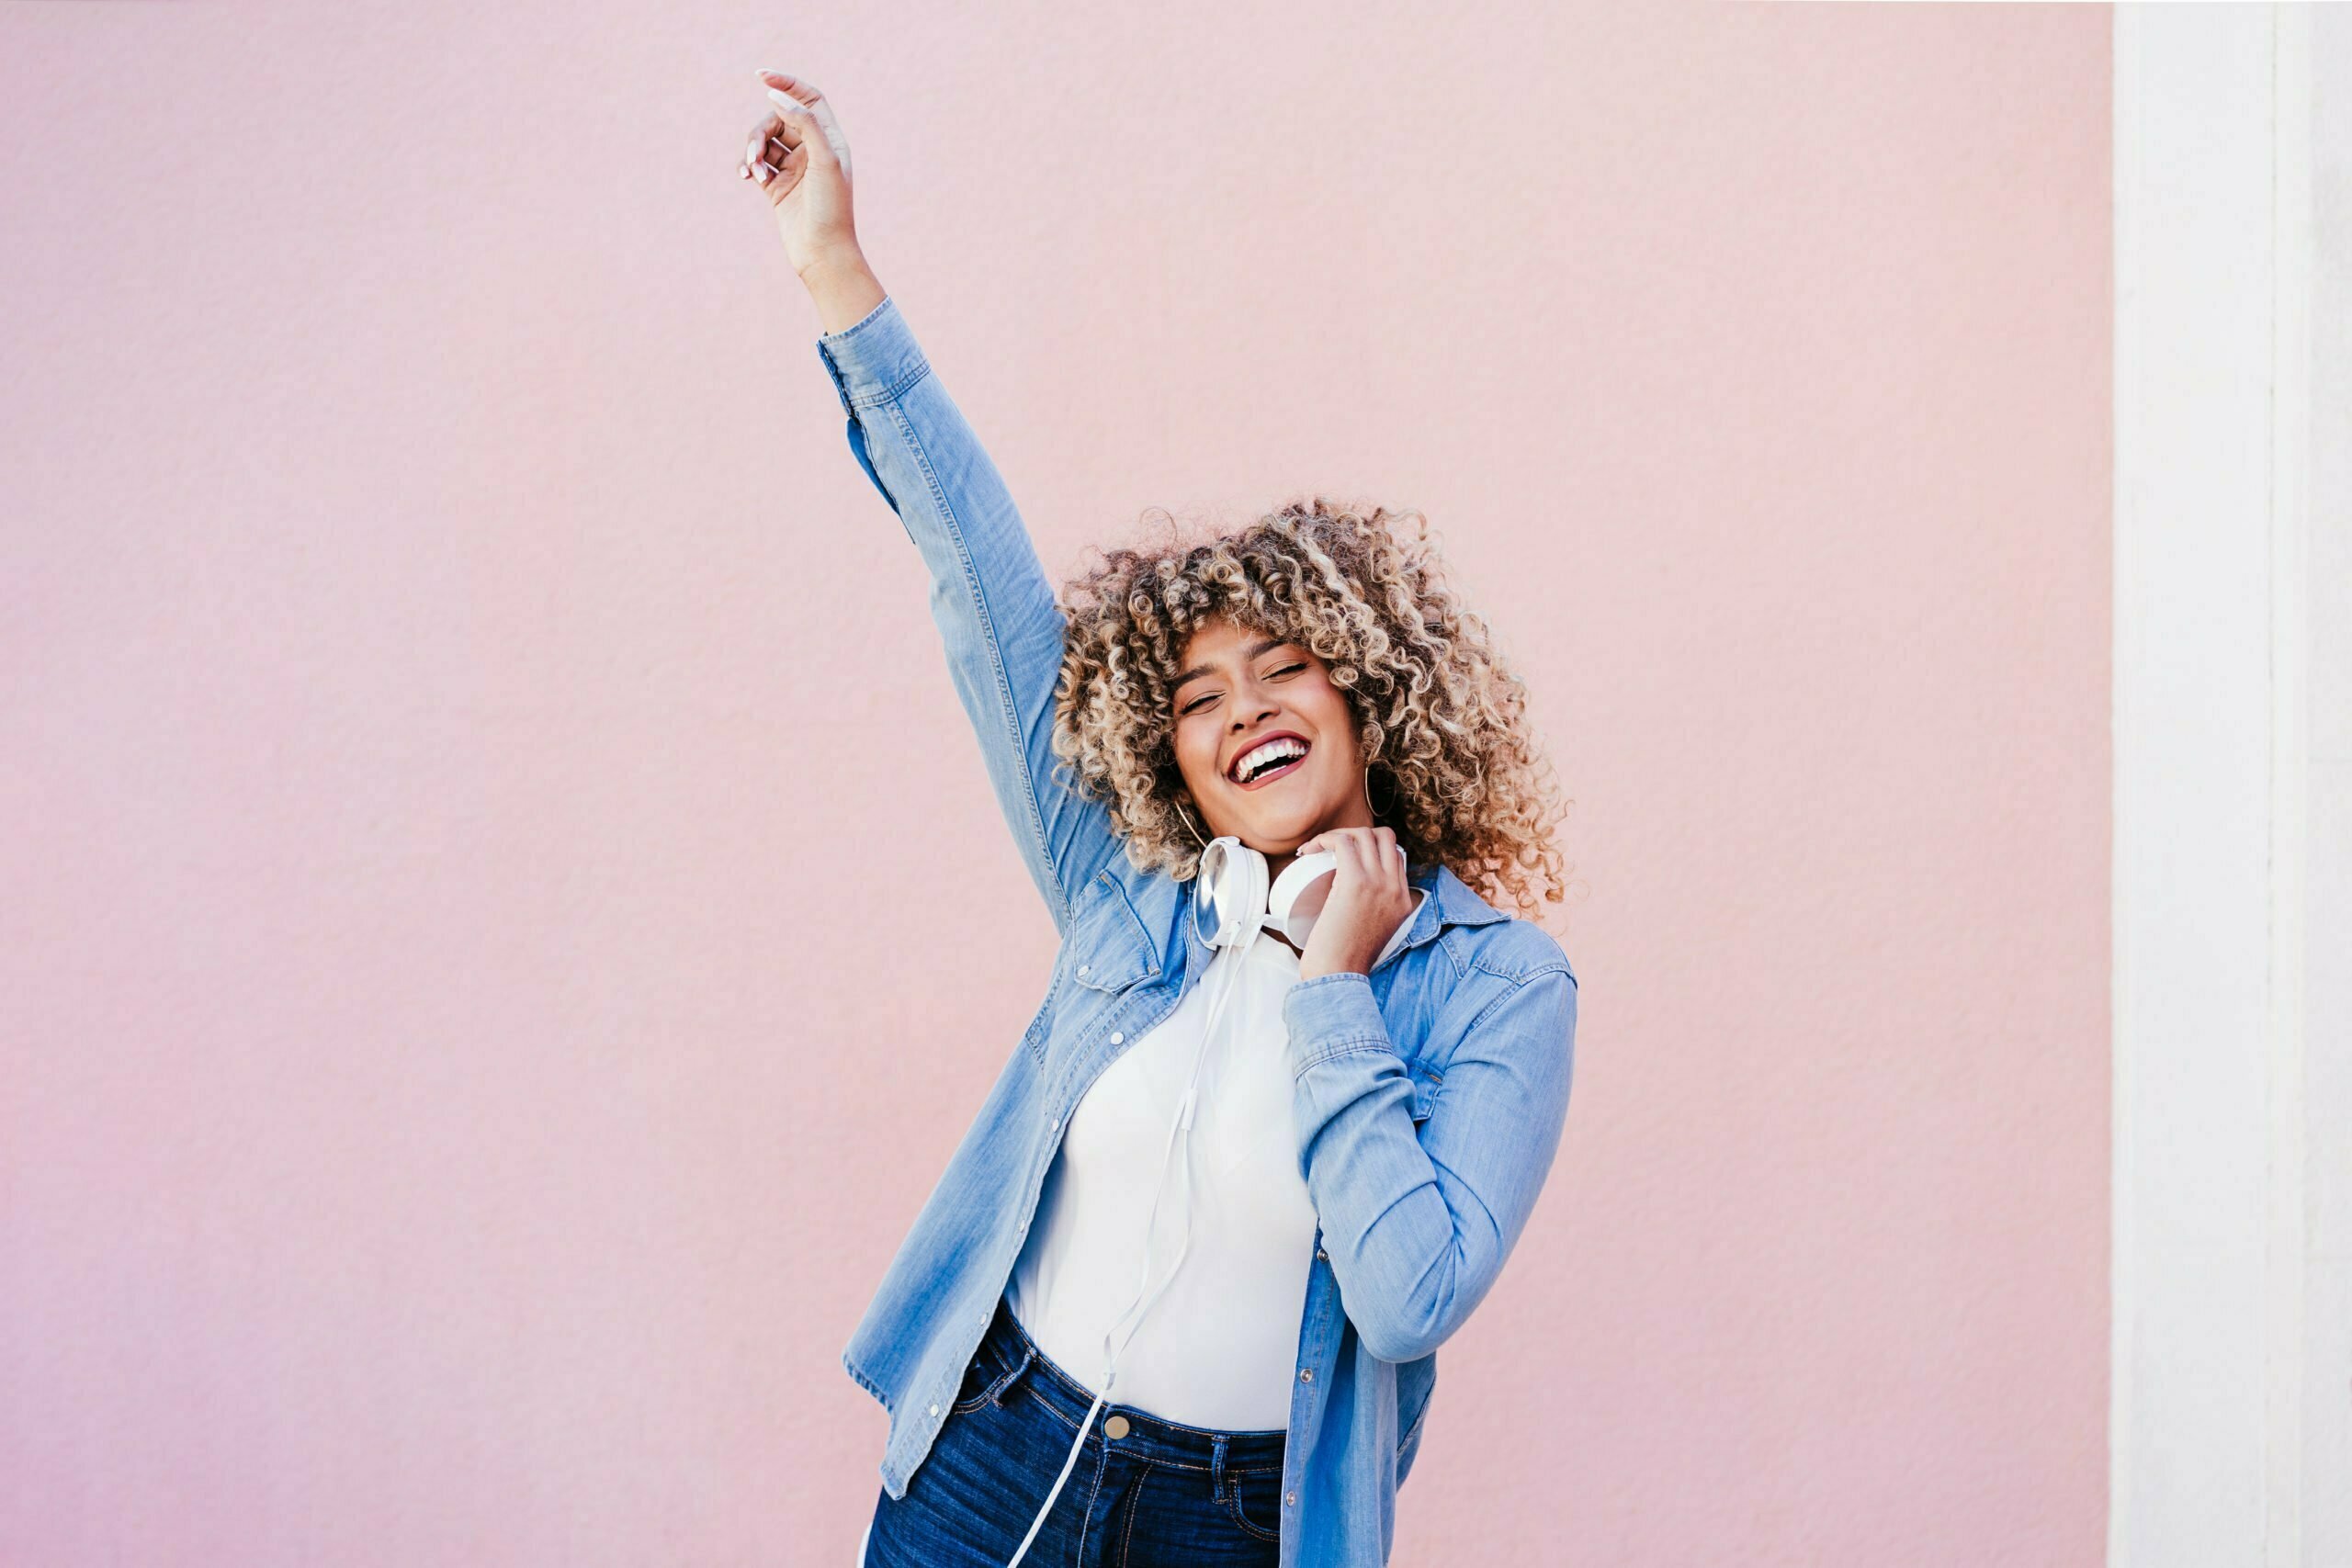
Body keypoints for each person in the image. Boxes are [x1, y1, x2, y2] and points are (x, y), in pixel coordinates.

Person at [740, 70, 1580, 1568]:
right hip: (995, 1455)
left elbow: (1410, 1295)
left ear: (1369, 693)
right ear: (1165, 758)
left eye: (1283, 669)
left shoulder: (1496, 982)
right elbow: (978, 579)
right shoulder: (1127, 893)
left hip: (1231, 1523)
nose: (1243, 710)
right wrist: (833, 263)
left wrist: (1332, 993)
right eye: (1195, 698)